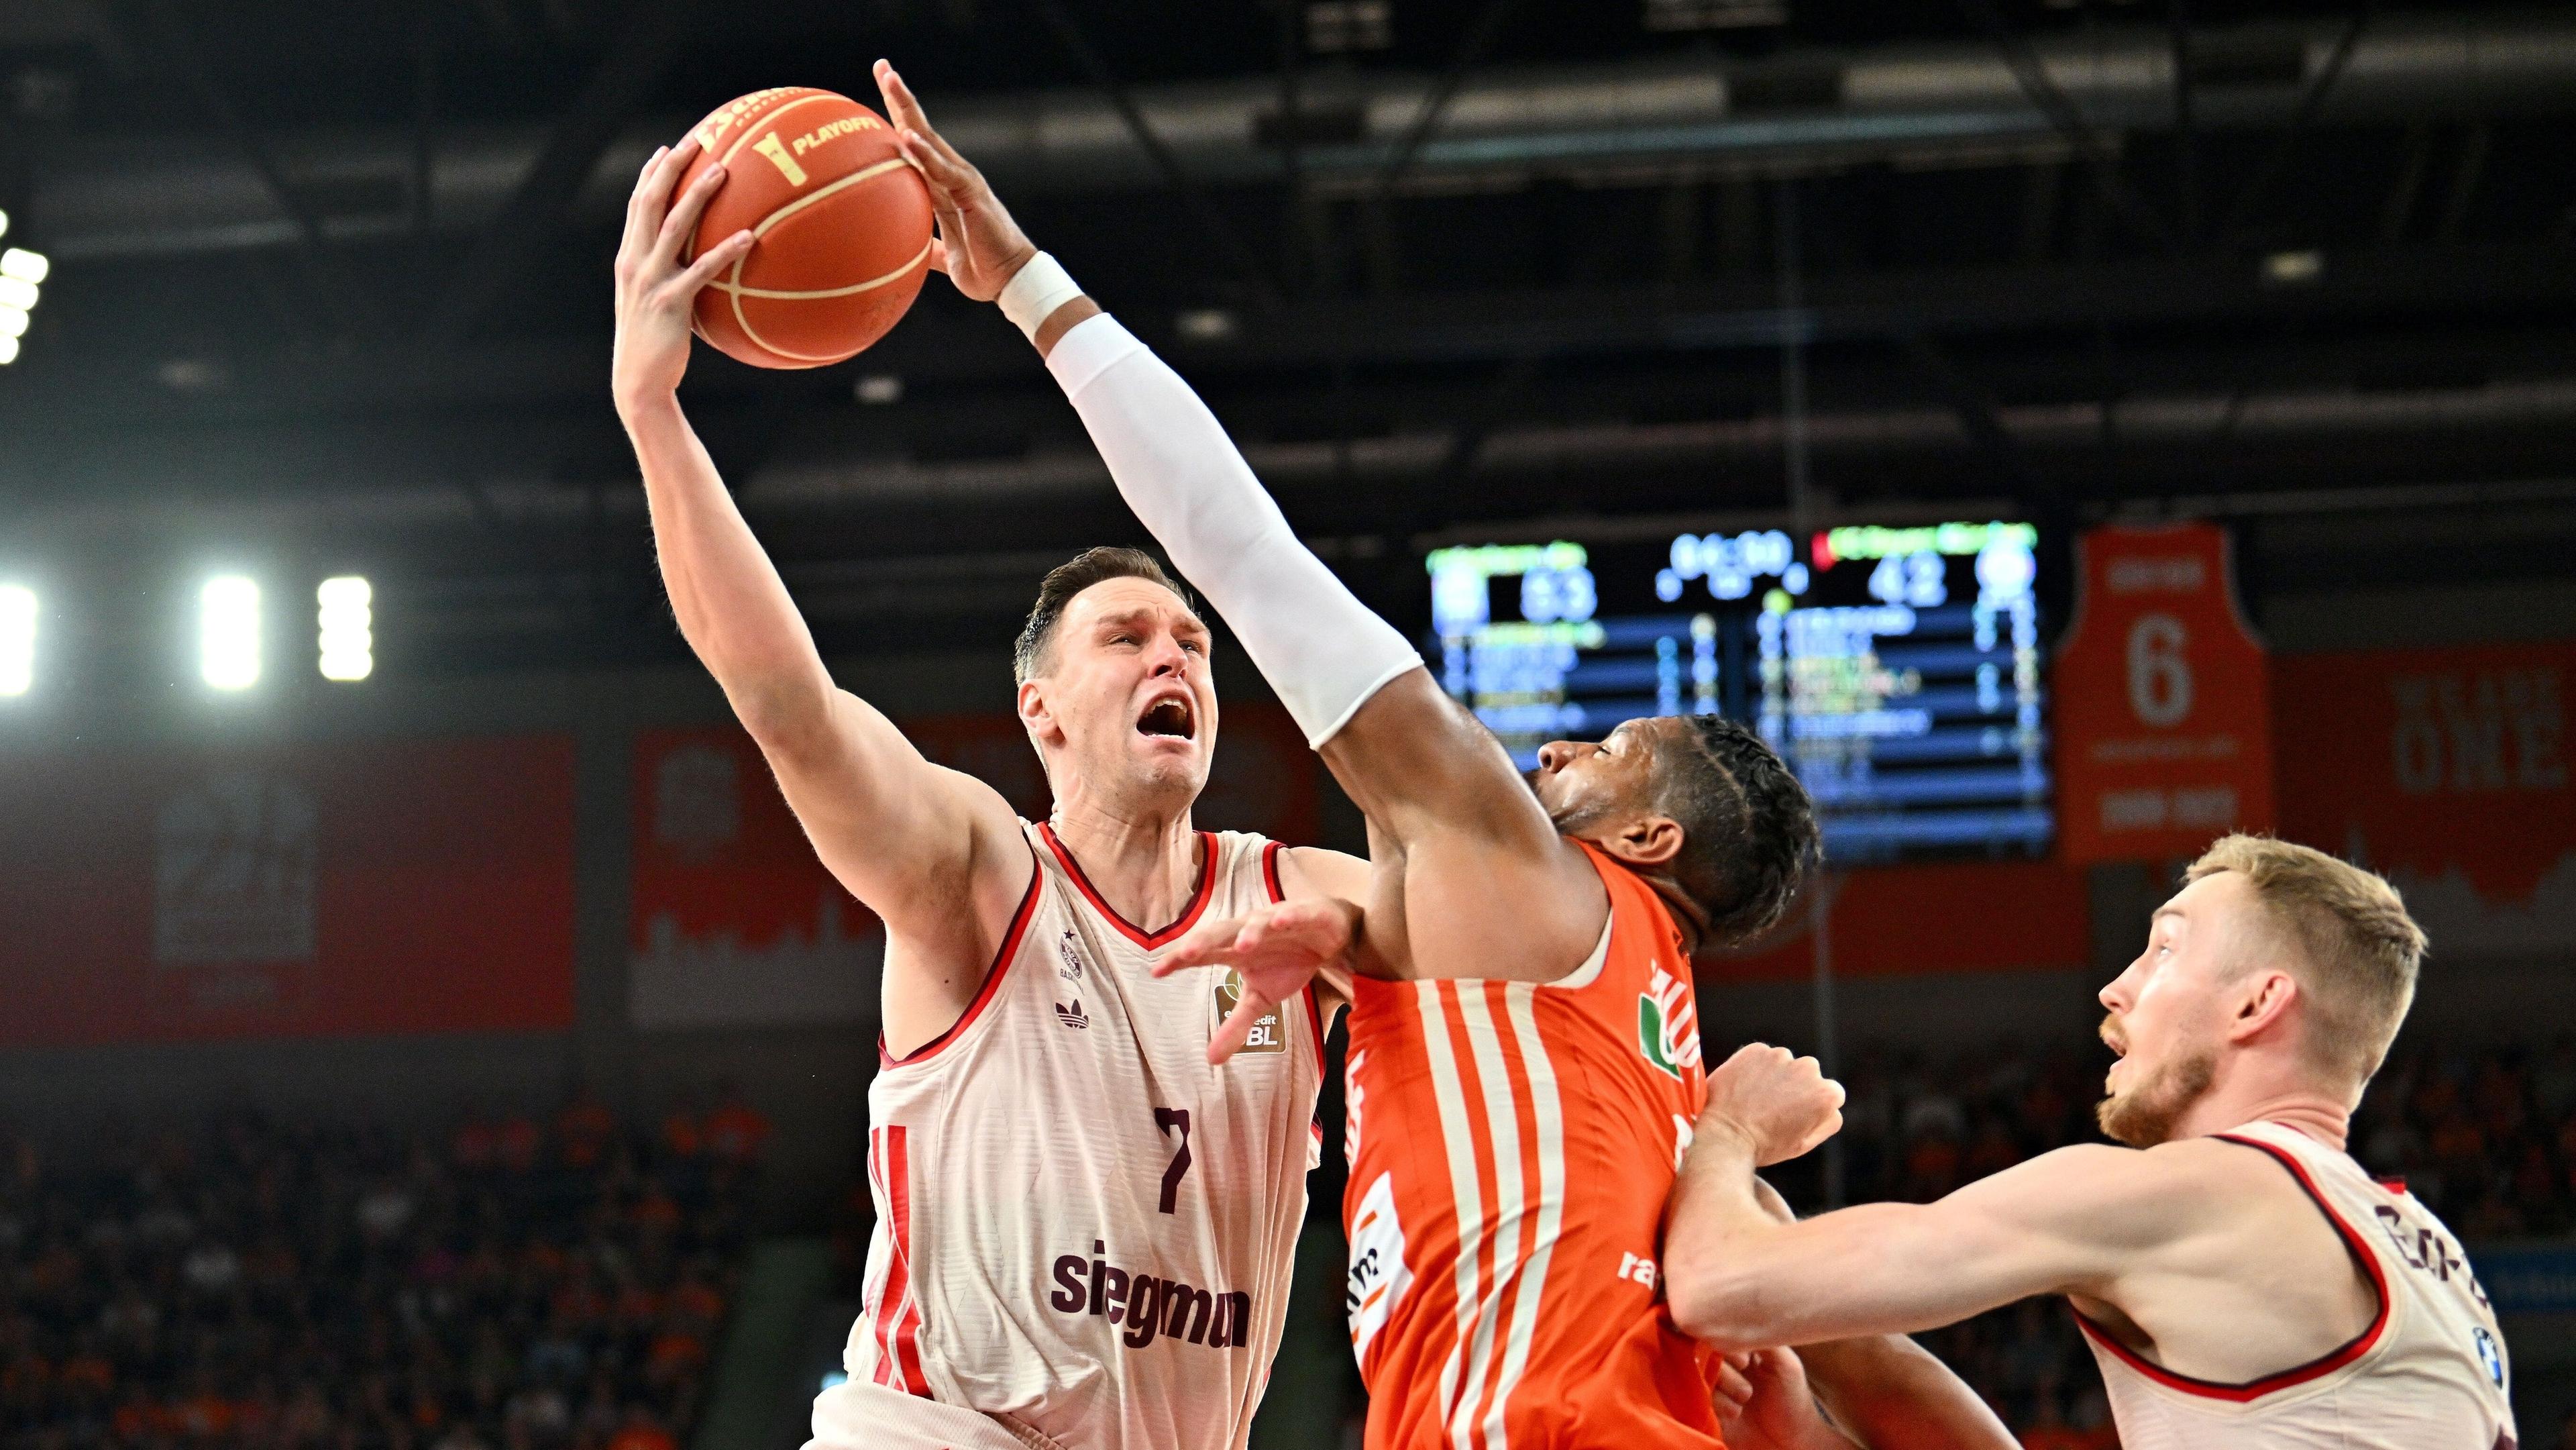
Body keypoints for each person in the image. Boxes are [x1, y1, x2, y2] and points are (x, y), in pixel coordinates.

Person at [873, 60, 2015, 1450]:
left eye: (1611, 752)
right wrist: (1357, 944)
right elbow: (1912, 1394)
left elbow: (1244, 554)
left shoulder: (1516, 865)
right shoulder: (1643, 1060)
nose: (1555, 745)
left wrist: (1030, 292)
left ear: (1647, 842)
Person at [610, 111, 1377, 1450]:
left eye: (1191, 640)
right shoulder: (980, 868)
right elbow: (788, 709)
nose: (1172, 655)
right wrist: (654, 413)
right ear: (1043, 710)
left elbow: (1496, 924)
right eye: (1127, 637)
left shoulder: (1292, 898)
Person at [1664, 835, 2518, 1449]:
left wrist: (1730, 1126)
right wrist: (1805, 1434)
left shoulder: (2201, 1194)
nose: (2116, 988)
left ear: (2256, 1004)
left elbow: (1717, 1288)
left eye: (2164, 950)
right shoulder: (2423, 1250)